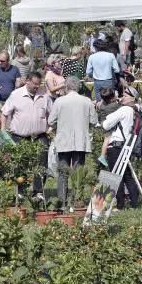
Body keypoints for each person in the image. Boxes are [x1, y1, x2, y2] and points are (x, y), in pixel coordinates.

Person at [1, 71, 52, 199]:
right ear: (27, 81)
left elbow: (52, 114)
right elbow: (5, 113)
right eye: (35, 84)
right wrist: (3, 131)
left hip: (40, 135)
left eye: (39, 84)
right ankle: (21, 191)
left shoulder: (44, 96)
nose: (37, 86)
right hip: (19, 136)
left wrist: (50, 128)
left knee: (41, 163)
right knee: (20, 163)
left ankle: (38, 192)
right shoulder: (16, 95)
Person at [49, 76, 98, 204]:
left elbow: (51, 121)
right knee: (78, 171)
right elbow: (94, 121)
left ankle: (62, 200)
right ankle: (77, 199)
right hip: (80, 140)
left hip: (64, 139)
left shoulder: (59, 101)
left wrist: (59, 125)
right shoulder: (87, 101)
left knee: (63, 172)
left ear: (66, 87)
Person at [101, 87, 142, 210]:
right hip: (128, 146)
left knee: (116, 176)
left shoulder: (124, 109)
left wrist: (107, 118)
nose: (122, 97)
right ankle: (134, 204)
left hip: (116, 146)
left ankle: (120, 206)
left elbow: (106, 124)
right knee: (128, 176)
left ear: (133, 98)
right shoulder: (138, 110)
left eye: (125, 95)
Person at [86, 40, 120, 104]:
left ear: (96, 47)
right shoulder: (111, 55)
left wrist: (92, 74)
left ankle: (101, 112)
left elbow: (88, 72)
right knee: (110, 99)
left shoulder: (92, 57)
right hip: (108, 80)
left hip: (97, 81)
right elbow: (117, 70)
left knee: (99, 101)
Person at [97, 87, 122, 168]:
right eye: (115, 96)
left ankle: (103, 156)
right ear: (111, 99)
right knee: (107, 139)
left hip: (103, 122)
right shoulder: (114, 105)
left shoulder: (103, 104)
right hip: (108, 125)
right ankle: (102, 156)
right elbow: (122, 110)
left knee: (106, 139)